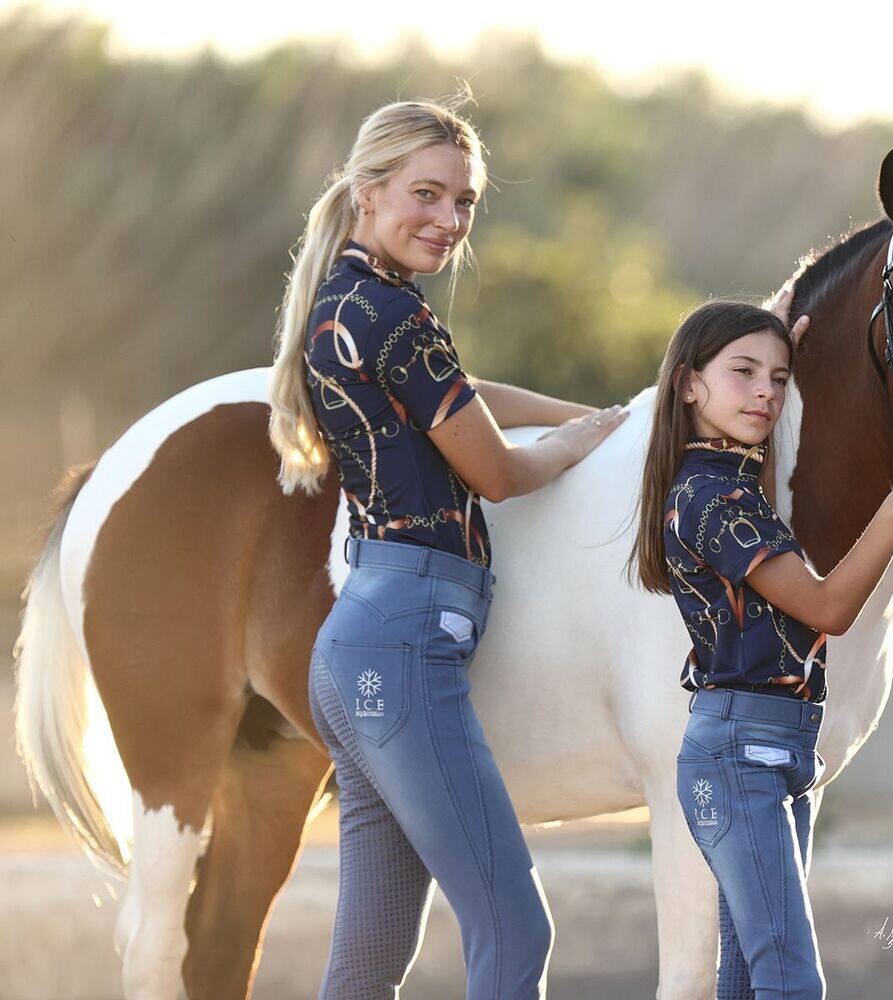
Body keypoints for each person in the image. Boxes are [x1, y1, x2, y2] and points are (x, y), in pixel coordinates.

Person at [266, 94, 627, 999]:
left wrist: (598, 415)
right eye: (425, 195)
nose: (449, 220)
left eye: (463, 202)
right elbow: (498, 473)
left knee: (368, 965)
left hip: (360, 647)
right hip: (402, 644)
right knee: (513, 928)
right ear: (368, 192)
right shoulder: (391, 313)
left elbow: (464, 394)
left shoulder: (353, 302)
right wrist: (578, 444)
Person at [629, 296, 893, 999]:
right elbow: (829, 608)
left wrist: (784, 354)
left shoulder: (731, 484)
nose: (765, 392)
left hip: (771, 752)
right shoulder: (714, 501)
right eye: (743, 373)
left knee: (747, 982)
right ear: (688, 385)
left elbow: (771, 461)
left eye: (778, 378)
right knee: (792, 984)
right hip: (741, 758)